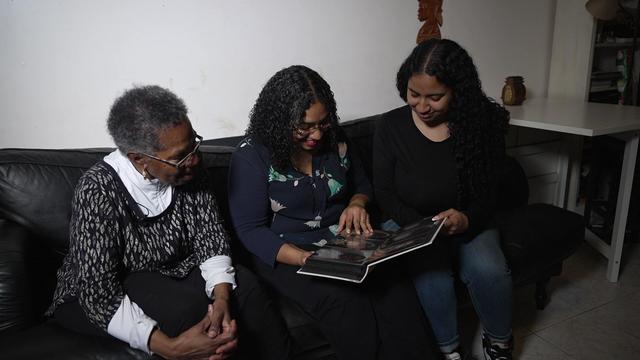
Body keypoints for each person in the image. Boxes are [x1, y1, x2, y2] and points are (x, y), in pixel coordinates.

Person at [47, 85, 290, 360]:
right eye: (180, 157)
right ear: (139, 159)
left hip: (174, 270)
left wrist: (221, 297)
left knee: (248, 290)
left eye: (194, 145)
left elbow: (209, 236)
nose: (194, 159)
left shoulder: (191, 168)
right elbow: (99, 292)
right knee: (185, 310)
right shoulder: (97, 190)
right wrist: (169, 349)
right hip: (102, 288)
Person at [228, 65, 439, 360]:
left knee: (395, 288)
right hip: (287, 252)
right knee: (344, 301)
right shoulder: (251, 156)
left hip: (341, 243)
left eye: (323, 123)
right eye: (304, 126)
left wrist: (356, 203)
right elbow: (250, 231)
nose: (316, 134)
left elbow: (363, 184)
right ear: (279, 120)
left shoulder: (336, 139)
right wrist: (306, 259)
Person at [373, 39, 513, 360]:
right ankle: (449, 351)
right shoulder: (390, 126)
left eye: (435, 97)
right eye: (414, 95)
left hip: (468, 216)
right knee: (432, 276)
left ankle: (499, 344)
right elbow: (384, 192)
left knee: (490, 269)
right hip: (412, 222)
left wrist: (466, 219)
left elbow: (491, 191)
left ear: (457, 92)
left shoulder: (483, 123)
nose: (423, 106)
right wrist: (422, 228)